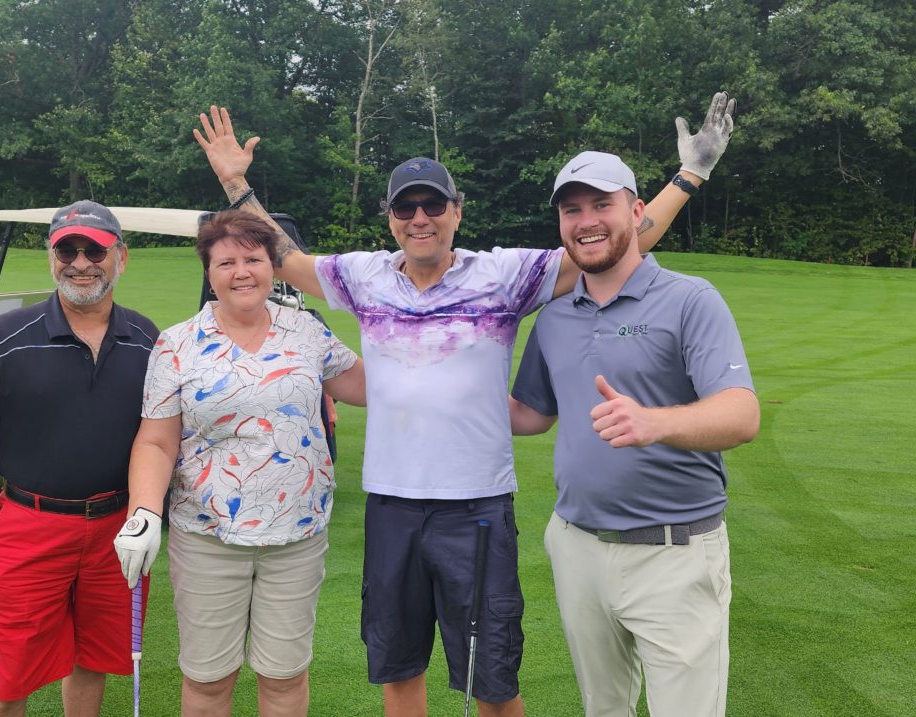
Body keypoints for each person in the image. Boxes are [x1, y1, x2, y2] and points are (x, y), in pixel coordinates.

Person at [191, 92, 735, 717]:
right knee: (399, 670)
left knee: (491, 682)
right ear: (391, 218)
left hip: (477, 506)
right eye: (406, 208)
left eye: (433, 205)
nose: (420, 218)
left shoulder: (502, 275)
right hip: (392, 503)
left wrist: (689, 176)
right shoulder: (365, 276)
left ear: (456, 211)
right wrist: (235, 183)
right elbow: (285, 257)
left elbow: (611, 240)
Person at [508, 151, 761, 717]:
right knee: (603, 709)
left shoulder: (690, 299)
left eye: (602, 204)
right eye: (572, 210)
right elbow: (531, 413)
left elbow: (741, 414)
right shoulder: (554, 316)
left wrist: (655, 422)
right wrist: (439, 400)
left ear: (637, 211)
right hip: (576, 546)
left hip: (675, 552)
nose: (586, 221)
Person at [112, 210, 365, 716]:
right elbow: (156, 442)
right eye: (226, 262)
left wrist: (418, 333)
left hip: (296, 537)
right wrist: (144, 512)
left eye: (253, 259)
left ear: (273, 266)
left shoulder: (306, 331)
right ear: (209, 273)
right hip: (207, 538)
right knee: (208, 682)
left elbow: (370, 386)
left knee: (284, 678)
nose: (241, 272)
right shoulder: (177, 344)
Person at [0, 201, 159, 717]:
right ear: (51, 257)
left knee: (93, 661)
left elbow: (161, 437)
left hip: (117, 531)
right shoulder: (4, 337)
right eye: (68, 250)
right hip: (28, 527)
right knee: (10, 679)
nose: (81, 263)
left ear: (121, 258)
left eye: (96, 250)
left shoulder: (148, 339)